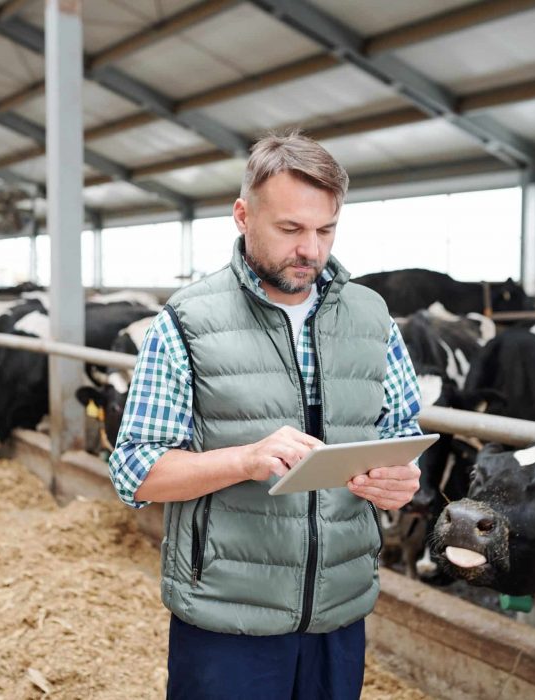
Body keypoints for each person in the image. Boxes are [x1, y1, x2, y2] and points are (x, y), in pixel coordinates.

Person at [108, 132, 423, 699]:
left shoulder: (372, 318)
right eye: (290, 229)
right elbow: (134, 470)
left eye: (326, 230)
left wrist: (400, 481)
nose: (311, 250)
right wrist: (245, 460)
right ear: (242, 215)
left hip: (338, 612)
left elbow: (401, 434)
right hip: (228, 619)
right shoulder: (187, 321)